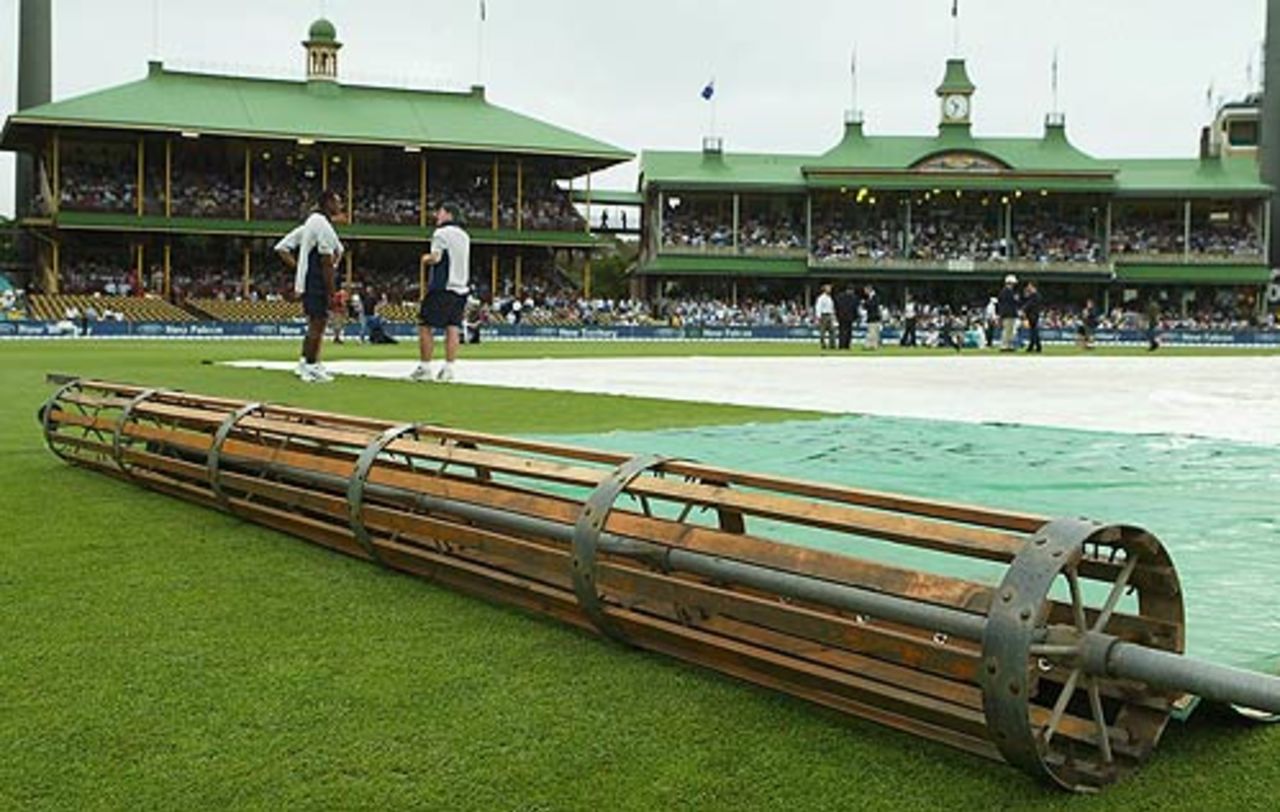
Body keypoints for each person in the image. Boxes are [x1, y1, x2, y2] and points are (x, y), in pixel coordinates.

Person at [275, 189, 345, 383]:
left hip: (312, 278)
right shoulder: (320, 223)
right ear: (328, 203)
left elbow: (282, 247)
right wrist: (331, 292)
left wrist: (300, 269)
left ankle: (307, 362)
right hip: (317, 280)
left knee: (315, 323)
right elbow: (326, 260)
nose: (340, 206)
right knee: (318, 323)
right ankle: (311, 366)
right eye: (337, 201)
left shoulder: (314, 223)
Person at [410, 202, 472, 382]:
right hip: (461, 287)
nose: (437, 215)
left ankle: (425, 367)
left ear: (449, 215)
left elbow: (436, 257)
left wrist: (425, 259)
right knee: (453, 327)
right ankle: (449, 368)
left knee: (425, 325)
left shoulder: (441, 233)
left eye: (440, 212)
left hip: (442, 287)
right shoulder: (464, 235)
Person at [997, 275, 1019, 351]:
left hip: (1008, 313)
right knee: (1007, 330)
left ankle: (1008, 345)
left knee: (1010, 330)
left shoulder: (1005, 291)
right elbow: (1013, 302)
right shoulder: (1007, 292)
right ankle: (1004, 346)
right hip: (1009, 313)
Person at [834, 284, 857, 350]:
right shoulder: (853, 297)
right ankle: (845, 345)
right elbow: (854, 308)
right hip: (846, 317)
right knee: (846, 332)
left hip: (843, 317)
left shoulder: (840, 296)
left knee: (844, 332)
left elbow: (837, 307)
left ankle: (843, 345)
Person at [1022, 281, 1043, 353]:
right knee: (1034, 331)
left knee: (1033, 331)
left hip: (1033, 315)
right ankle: (1037, 346)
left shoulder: (1035, 295)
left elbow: (1030, 304)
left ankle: (1033, 346)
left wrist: (1024, 308)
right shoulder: (1034, 295)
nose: (1028, 287)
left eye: (1029, 286)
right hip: (1032, 314)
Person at [814, 284, 836, 350]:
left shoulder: (830, 298)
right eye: (828, 288)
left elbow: (831, 308)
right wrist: (818, 317)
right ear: (825, 289)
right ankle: (823, 344)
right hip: (823, 315)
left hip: (829, 315)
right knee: (822, 332)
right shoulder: (821, 298)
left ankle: (832, 345)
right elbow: (818, 307)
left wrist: (833, 315)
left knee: (832, 331)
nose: (830, 289)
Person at [862, 285, 882, 350]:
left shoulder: (875, 297)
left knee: (873, 332)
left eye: (865, 290)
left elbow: (872, 305)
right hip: (872, 317)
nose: (865, 292)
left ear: (869, 289)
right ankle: (872, 345)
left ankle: (873, 346)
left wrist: (865, 303)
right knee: (872, 332)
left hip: (874, 317)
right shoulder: (870, 297)